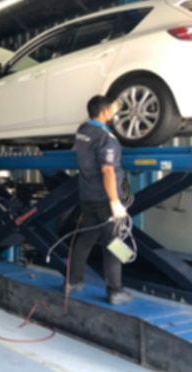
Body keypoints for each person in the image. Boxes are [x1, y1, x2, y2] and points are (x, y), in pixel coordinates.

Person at [65, 95, 133, 305]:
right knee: (113, 244)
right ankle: (115, 291)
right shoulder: (107, 138)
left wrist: (115, 105)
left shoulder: (82, 131)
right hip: (105, 199)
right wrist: (115, 202)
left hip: (87, 197)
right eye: (111, 110)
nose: (113, 113)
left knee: (85, 240)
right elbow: (108, 171)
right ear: (104, 113)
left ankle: (73, 282)